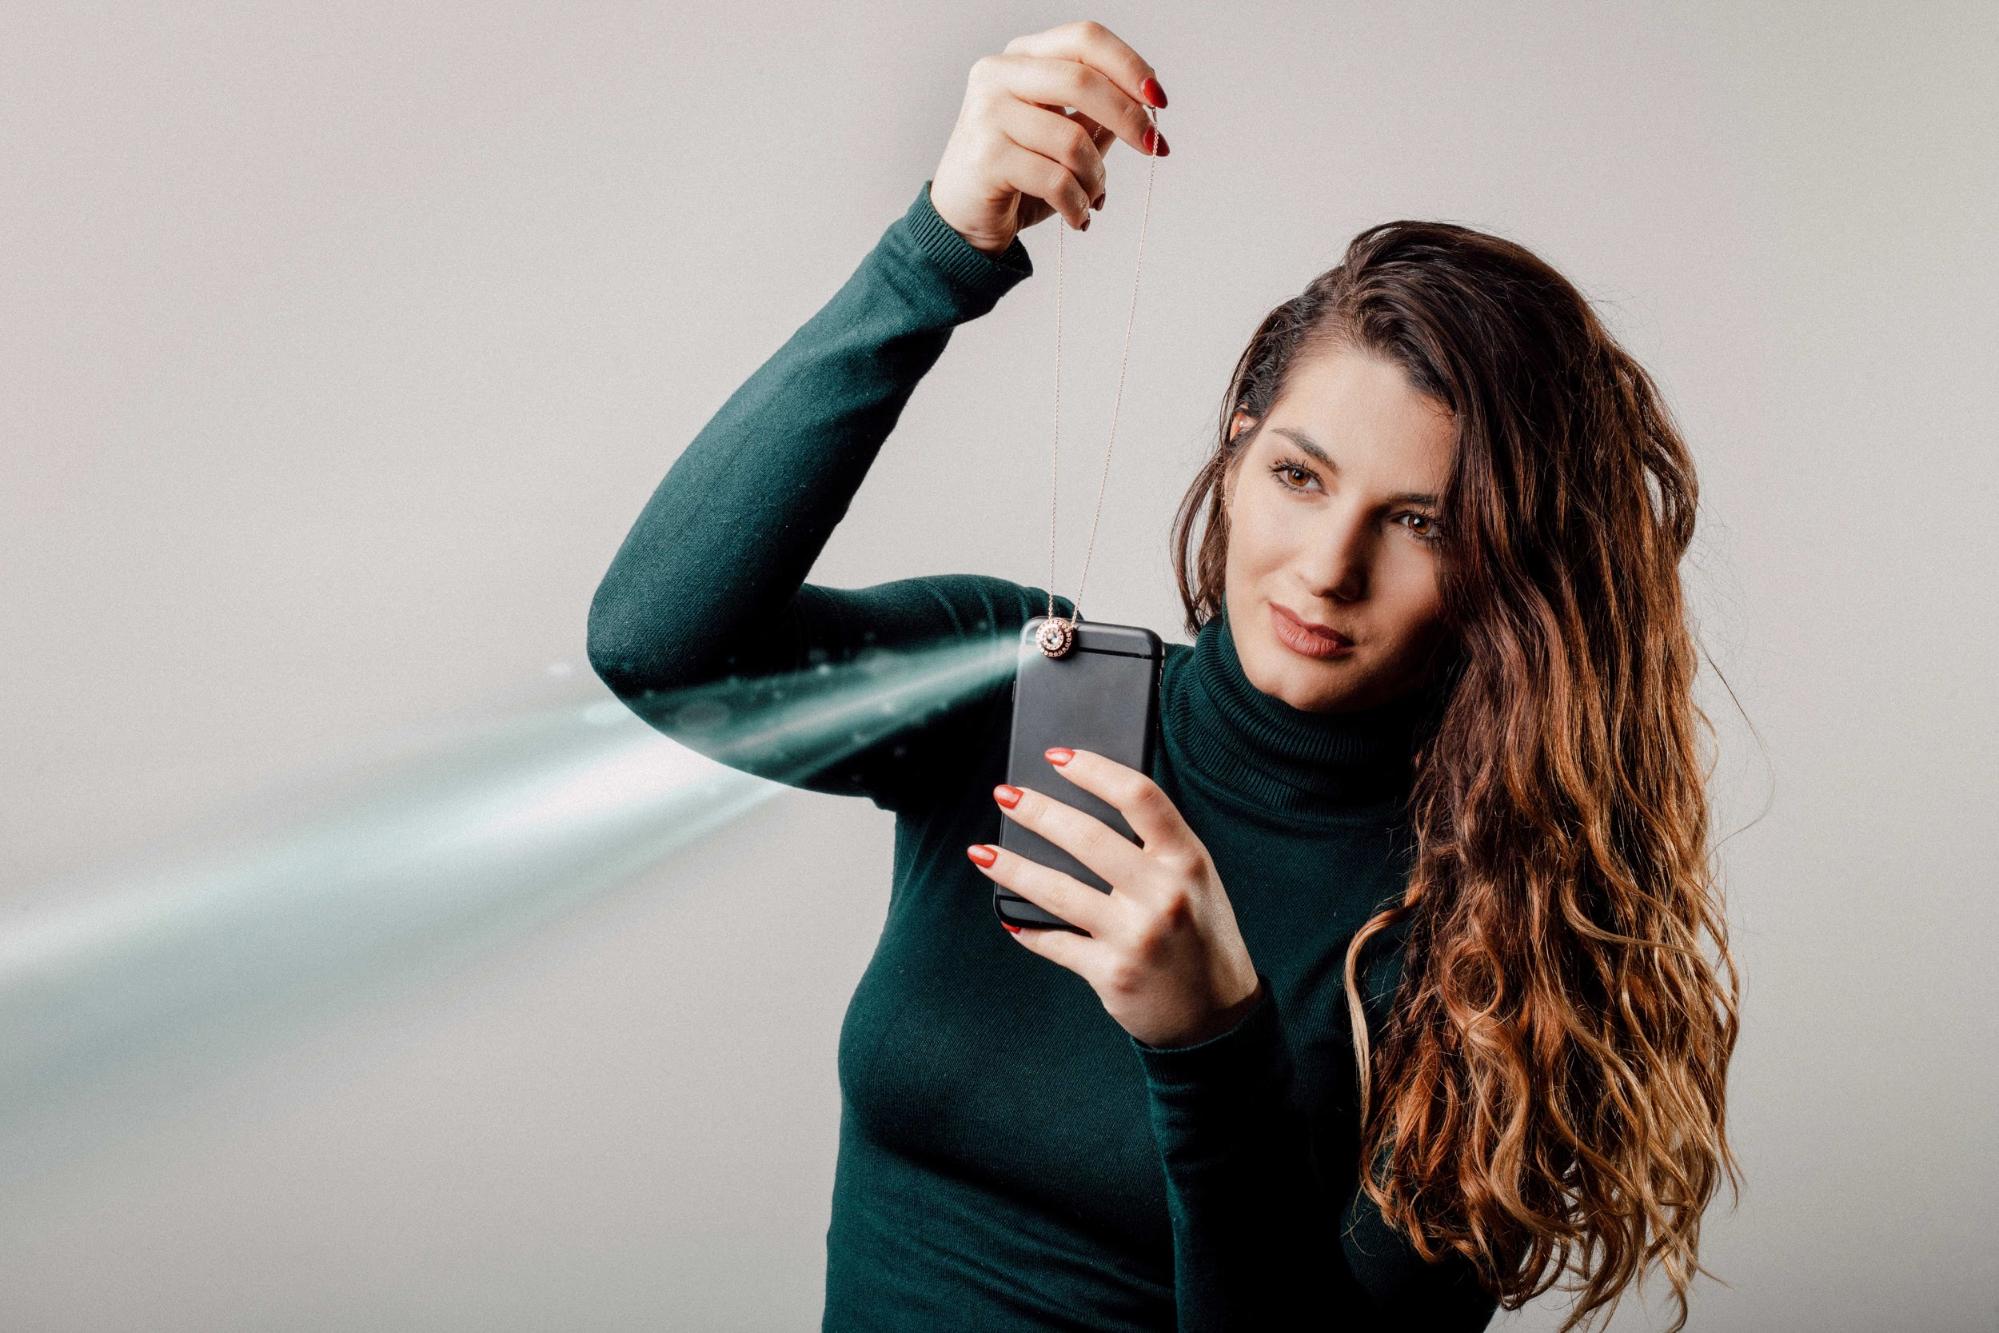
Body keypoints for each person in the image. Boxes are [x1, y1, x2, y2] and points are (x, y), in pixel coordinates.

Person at [587, 20, 1739, 1332]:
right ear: (1238, 454)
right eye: (1299, 476)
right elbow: (658, 651)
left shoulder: (1497, 941)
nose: (1325, 566)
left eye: (1419, 523)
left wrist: (1212, 1043)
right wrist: (939, 246)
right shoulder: (1029, 690)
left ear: (1508, 576)